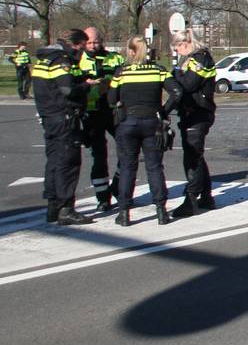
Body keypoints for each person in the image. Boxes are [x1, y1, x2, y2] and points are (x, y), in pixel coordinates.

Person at [109, 37, 180, 226]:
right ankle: (161, 211)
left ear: (131, 51)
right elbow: (177, 92)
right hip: (152, 122)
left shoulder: (122, 72)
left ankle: (124, 213)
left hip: (128, 123)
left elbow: (110, 98)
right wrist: (164, 111)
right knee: (155, 167)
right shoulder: (158, 70)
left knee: (127, 167)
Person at [31, 29, 94, 225]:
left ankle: (53, 206)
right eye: (82, 47)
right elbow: (67, 89)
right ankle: (66, 208)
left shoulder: (44, 59)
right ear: (75, 44)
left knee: (54, 161)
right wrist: (86, 85)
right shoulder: (61, 60)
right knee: (68, 163)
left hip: (48, 116)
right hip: (64, 117)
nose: (82, 52)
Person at [170, 29, 217, 218]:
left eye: (177, 47)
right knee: (196, 154)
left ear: (186, 43)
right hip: (194, 111)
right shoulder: (194, 58)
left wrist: (175, 74)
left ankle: (191, 199)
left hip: (198, 112)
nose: (177, 51)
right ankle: (206, 195)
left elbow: (189, 84)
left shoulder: (199, 58)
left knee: (192, 156)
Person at [78, 27, 125, 210]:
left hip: (113, 111)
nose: (92, 45)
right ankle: (102, 197)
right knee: (99, 155)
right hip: (92, 113)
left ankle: (117, 186)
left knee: (127, 150)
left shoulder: (115, 58)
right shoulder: (79, 60)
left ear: (102, 40)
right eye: (88, 42)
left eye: (95, 42)